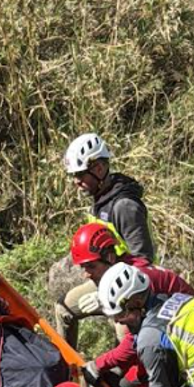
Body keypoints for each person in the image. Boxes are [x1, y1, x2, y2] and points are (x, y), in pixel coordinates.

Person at [71, 223, 194, 387]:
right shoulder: (127, 274)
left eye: (91, 267)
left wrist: (98, 365)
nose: (86, 274)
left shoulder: (138, 283)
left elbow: (134, 344)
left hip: (183, 344)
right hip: (165, 335)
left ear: (109, 257)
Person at [57, 133, 155, 348]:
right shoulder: (101, 199)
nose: (76, 182)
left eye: (81, 175)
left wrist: (106, 298)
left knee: (126, 337)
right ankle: (66, 368)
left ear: (99, 169)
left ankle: (130, 379)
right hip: (105, 277)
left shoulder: (125, 207)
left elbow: (144, 261)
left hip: (127, 288)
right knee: (64, 308)